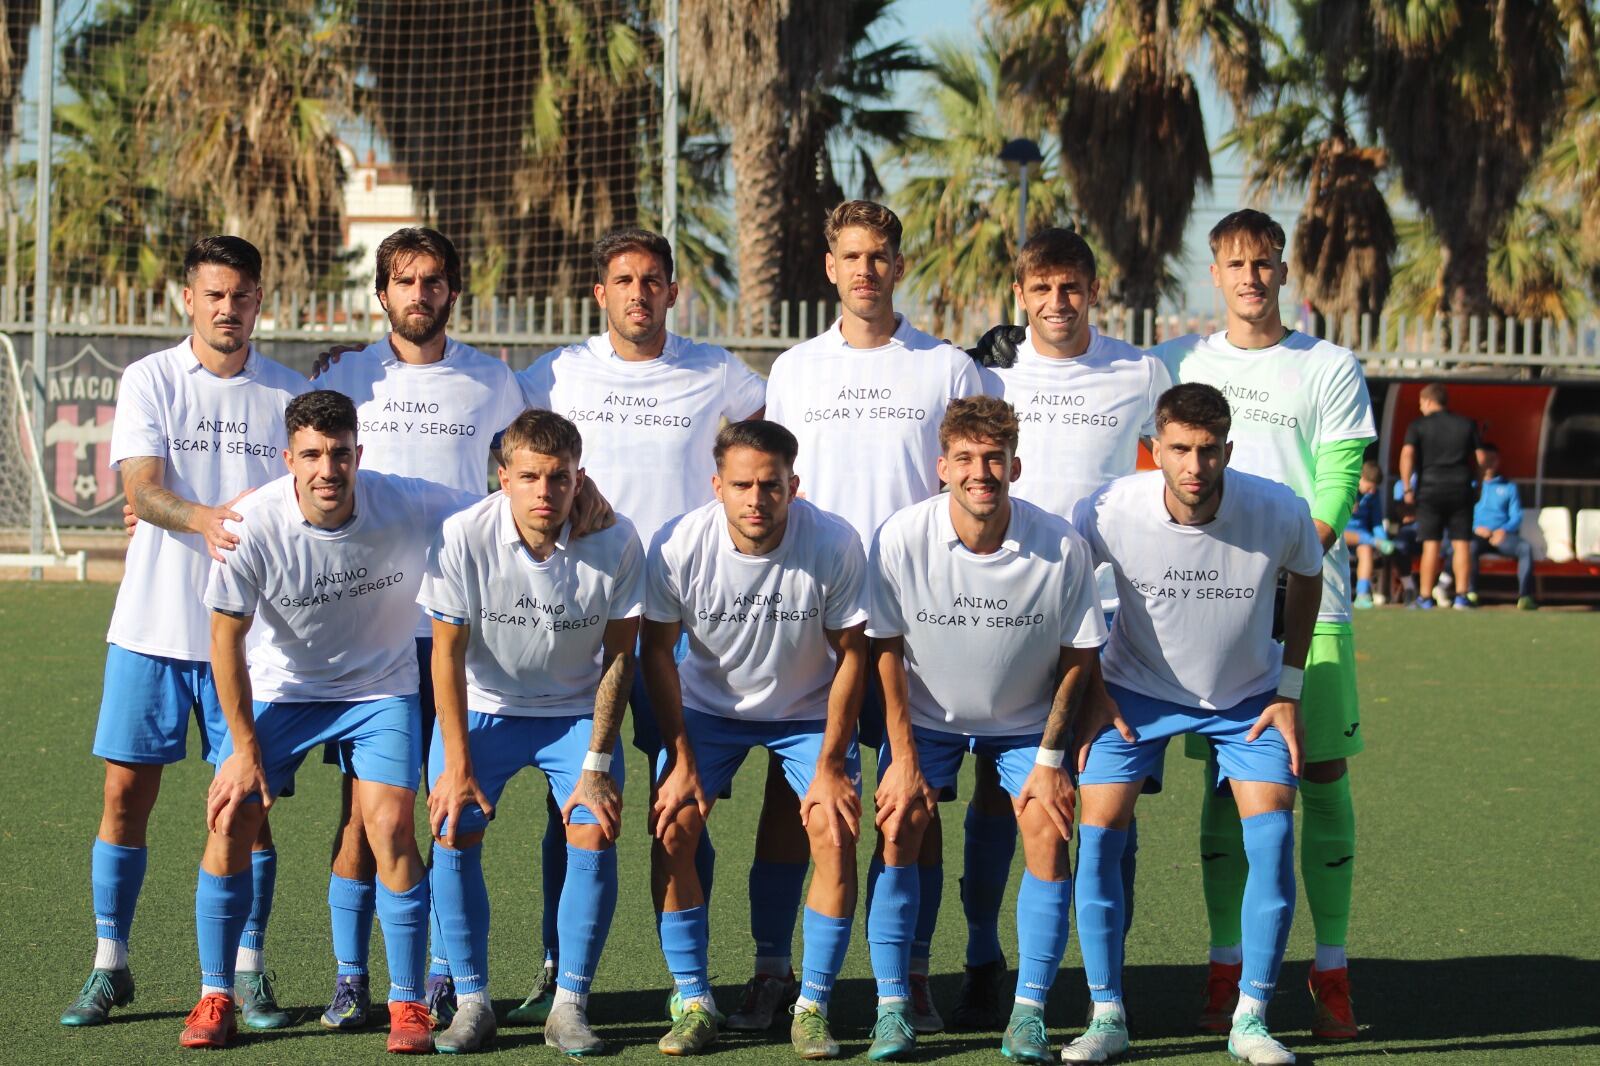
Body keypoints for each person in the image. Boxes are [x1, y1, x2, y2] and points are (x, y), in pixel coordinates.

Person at [517, 227, 766, 1025]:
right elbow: (491, 424)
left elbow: (790, 431)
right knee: (575, 802)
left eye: (652, 280)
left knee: (679, 802)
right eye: (623, 280)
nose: (638, 293)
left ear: (672, 290)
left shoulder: (718, 372)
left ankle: (688, 980)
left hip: (678, 621)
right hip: (578, 616)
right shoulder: (556, 372)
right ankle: (559, 967)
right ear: (600, 293)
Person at [62, 237, 308, 1030]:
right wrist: (201, 517)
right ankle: (110, 963)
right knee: (124, 795)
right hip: (152, 626)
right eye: (213, 295)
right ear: (187, 300)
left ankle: (249, 968)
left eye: (240, 295)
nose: (227, 309)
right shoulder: (150, 379)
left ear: (259, 300)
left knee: (250, 808)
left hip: (251, 643)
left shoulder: (289, 393)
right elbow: (140, 488)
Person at [185, 390, 475, 1052]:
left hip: (378, 691)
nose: (327, 469)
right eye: (312, 455)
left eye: (340, 454)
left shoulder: (404, 500)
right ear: (289, 458)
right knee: (232, 816)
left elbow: (494, 508)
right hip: (283, 691)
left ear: (358, 455)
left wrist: (581, 498)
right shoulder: (251, 524)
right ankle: (215, 994)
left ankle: (407, 1006)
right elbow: (226, 642)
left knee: (392, 828)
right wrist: (240, 749)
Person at [755, 200, 985, 1036]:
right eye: (851, 256)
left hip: (914, 614)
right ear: (830, 266)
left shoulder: (947, 367)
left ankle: (913, 971)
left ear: (898, 265)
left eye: (880, 256)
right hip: (811, 612)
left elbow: (964, 482)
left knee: (910, 798)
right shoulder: (794, 370)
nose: (866, 270)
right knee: (798, 798)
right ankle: (774, 972)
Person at [1154, 210, 1376, 1041]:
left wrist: (1289, 567)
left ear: (1285, 273)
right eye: (1236, 263)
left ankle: (1333, 971)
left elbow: (1338, 490)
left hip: (1310, 605)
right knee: (1224, 786)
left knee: (1319, 779)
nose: (1251, 277)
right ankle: (1226, 966)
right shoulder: (1179, 363)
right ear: (1214, 272)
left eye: (1265, 264)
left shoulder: (1328, 365)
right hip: (1212, 614)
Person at [1061, 383, 1323, 1066]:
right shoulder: (1110, 510)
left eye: (1209, 451)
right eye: (1180, 449)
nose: (1195, 466)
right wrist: (1091, 688)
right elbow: (1068, 589)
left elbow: (1308, 577)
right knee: (1097, 840)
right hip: (1134, 691)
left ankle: (1254, 1019)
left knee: (1271, 837)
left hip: (1247, 698)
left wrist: (1289, 689)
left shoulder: (1276, 509)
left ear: (1228, 450)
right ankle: (1107, 1014)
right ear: (1155, 450)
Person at [311, 227, 526, 1030]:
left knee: (447, 804)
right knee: (363, 811)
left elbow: (525, 477)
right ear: (382, 293)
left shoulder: (495, 383)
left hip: (457, 630)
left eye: (434, 281)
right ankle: (349, 976)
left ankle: (441, 971)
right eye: (405, 281)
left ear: (452, 293)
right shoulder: (345, 374)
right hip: (368, 629)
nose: (420, 294)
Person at [957, 227, 1170, 1028]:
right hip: (1011, 607)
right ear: (1020, 295)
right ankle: (983, 952)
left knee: (1110, 793)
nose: (1056, 302)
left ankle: (1100, 977)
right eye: (1040, 288)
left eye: (1071, 286)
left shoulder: (1142, 370)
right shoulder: (990, 373)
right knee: (998, 787)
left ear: (1093, 289)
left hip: (1114, 616)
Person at [863, 396, 1105, 1063]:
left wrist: (1052, 759)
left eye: (993, 458)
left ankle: (1027, 1012)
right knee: (899, 819)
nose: (981, 472)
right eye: (965, 458)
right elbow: (884, 649)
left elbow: (1081, 657)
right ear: (942, 466)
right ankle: (893, 1006)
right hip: (929, 721)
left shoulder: (1059, 544)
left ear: (1014, 464)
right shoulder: (901, 537)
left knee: (1048, 826)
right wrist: (903, 756)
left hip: (1026, 724)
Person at [644, 420, 868, 1059]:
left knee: (833, 826)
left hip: (806, 711)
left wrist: (829, 761)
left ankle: (812, 1003)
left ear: (793, 486)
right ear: (717, 486)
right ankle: (692, 999)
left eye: (771, 485)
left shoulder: (833, 542)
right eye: (741, 484)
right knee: (672, 825)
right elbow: (657, 654)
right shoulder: (680, 543)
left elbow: (852, 654)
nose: (756, 499)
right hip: (710, 709)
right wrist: (681, 756)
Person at [422, 409, 643, 1055]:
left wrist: (597, 762)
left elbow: (621, 658)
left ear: (579, 479)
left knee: (594, 823)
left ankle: (569, 1006)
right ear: (503, 478)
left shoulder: (617, 540)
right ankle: (471, 1004)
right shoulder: (464, 534)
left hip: (575, 710)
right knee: (451, 824)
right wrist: (457, 765)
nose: (544, 491)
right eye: (529, 477)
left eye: (559, 477)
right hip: (487, 705)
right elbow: (446, 656)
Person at [1399, 383, 1481, 610]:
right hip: (1461, 488)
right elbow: (1481, 458)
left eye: (1420, 403)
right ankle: (1462, 596)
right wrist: (1480, 485)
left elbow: (1407, 454)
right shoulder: (1467, 424)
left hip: (1430, 490)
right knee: (1461, 544)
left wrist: (1407, 488)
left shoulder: (1418, 425)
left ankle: (1425, 597)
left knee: (1430, 545)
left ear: (1427, 401)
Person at [1469, 443, 1537, 610]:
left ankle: (1525, 596)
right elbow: (1461, 513)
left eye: (1494, 459)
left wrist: (1503, 530)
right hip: (1478, 535)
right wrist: (1475, 528)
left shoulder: (1509, 487)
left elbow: (1516, 516)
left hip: (1502, 536)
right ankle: (1470, 593)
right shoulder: (1469, 486)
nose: (1490, 463)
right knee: (1469, 547)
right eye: (1486, 459)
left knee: (1525, 548)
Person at [1345, 462, 1393, 609]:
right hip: (1342, 534)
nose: (1372, 491)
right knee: (1357, 539)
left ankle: (1362, 594)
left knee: (1366, 549)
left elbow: (1376, 521)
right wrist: (1375, 541)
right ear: (1360, 478)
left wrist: (1383, 540)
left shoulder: (1373, 495)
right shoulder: (1347, 489)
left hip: (1362, 537)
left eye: (1374, 488)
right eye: (1369, 486)